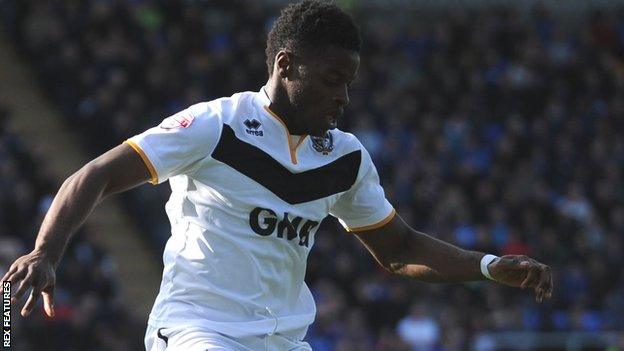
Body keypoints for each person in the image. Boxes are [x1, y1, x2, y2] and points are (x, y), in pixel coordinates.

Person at [1, 1, 552, 350]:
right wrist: (47, 250)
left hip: (283, 341)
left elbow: (398, 247)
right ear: (285, 66)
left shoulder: (344, 158)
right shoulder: (215, 125)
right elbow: (96, 174)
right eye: (332, 80)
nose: (343, 97)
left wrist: (486, 266)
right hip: (198, 331)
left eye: (350, 84)